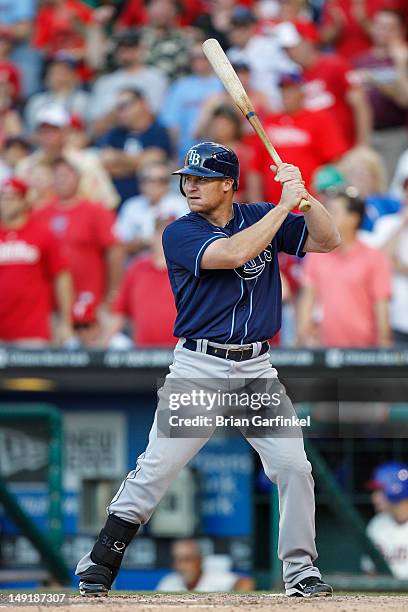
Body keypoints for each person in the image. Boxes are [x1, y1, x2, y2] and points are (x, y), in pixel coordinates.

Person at [76, 140, 340, 598]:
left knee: (294, 466)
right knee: (157, 469)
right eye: (188, 179)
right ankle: (98, 564)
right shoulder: (180, 232)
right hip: (201, 365)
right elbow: (233, 254)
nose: (191, 186)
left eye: (201, 179)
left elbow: (327, 239)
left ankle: (301, 573)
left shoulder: (259, 212)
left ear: (228, 185)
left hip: (257, 367)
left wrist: (304, 196)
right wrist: (281, 208)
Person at [298, 191, 392, 348]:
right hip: (324, 352)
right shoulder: (316, 255)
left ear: (354, 218)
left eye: (333, 212)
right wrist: (301, 337)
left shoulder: (374, 258)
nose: (327, 216)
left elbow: (381, 305)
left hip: (365, 352)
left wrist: (383, 348)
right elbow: (307, 299)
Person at [35, 157, 123, 310]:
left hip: (89, 298)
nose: (61, 180)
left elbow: (114, 252)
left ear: (78, 178)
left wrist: (113, 292)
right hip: (50, 301)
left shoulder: (96, 211)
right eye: (56, 175)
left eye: (66, 175)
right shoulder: (39, 214)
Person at [247, 73, 348, 204]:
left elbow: (335, 161)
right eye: (283, 90)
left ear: (302, 92)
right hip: (274, 208)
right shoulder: (270, 122)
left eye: (291, 89)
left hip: (309, 204)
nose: (286, 94)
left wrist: (326, 199)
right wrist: (257, 205)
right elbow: (255, 168)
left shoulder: (319, 119)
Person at [0, 176, 73, 345]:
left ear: (24, 201)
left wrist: (65, 321)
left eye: (12, 197)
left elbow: (62, 276)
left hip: (32, 328)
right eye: (2, 197)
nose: (6, 202)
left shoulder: (42, 234)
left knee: (31, 372)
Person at [278, 21, 371, 149]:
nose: (289, 53)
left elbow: (360, 105)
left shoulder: (335, 65)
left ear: (308, 41)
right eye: (285, 49)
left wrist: (362, 144)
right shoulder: (294, 77)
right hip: (317, 151)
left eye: (292, 47)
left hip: (345, 147)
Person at [16, 103, 119, 209]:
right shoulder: (25, 166)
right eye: (43, 130)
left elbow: (107, 202)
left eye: (53, 129)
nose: (48, 135)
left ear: (66, 131)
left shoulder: (87, 161)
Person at [352, 9, 408, 178]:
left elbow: (405, 99)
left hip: (396, 134)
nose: (383, 32)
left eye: (390, 28)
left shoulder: (403, 59)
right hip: (367, 134)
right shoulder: (361, 61)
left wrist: (399, 61)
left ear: (400, 31)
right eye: (380, 26)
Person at [106, 218, 178, 348]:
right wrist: (102, 347)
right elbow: (120, 311)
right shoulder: (137, 268)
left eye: (169, 234)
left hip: (180, 354)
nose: (163, 239)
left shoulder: (187, 270)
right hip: (142, 354)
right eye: (159, 233)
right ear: (152, 237)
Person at [98, 87, 172, 205]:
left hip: (154, 204)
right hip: (117, 202)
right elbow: (106, 162)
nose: (119, 112)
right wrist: (139, 163)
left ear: (142, 103)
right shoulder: (115, 133)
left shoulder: (158, 131)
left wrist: (119, 159)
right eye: (117, 107)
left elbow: (155, 161)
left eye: (124, 105)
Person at [89, 29, 168, 137]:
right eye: (122, 48)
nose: (126, 52)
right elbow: (96, 124)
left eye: (131, 47)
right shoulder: (104, 82)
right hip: (110, 139)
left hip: (146, 138)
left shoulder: (156, 78)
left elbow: (153, 116)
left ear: (141, 49)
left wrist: (117, 114)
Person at [360, 176, 408, 345]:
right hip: (397, 316)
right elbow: (379, 261)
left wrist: (398, 266)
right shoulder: (386, 223)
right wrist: (402, 223)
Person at [160, 43, 223, 162]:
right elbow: (171, 124)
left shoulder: (221, 84)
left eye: (203, 56)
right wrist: (175, 154)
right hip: (186, 153)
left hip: (217, 151)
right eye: (194, 57)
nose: (198, 61)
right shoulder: (180, 86)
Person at [115, 162, 187, 255]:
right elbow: (120, 242)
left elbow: (184, 240)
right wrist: (139, 244)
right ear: (141, 183)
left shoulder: (180, 204)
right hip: (137, 262)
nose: (155, 185)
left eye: (162, 180)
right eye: (150, 180)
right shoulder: (131, 206)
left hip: (169, 261)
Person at [24, 52, 91, 133]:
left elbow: (88, 132)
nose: (58, 77)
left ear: (73, 76)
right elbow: (31, 134)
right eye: (54, 72)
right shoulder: (36, 102)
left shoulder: (84, 100)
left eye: (63, 72)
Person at [364, 462, 408, 579]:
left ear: (396, 489)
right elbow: (371, 573)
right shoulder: (377, 525)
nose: (374, 497)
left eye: (379, 491)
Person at [156, 539, 254, 592]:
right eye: (178, 560)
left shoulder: (214, 578)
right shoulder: (169, 582)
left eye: (187, 560)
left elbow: (246, 583)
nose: (181, 566)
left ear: (199, 560)